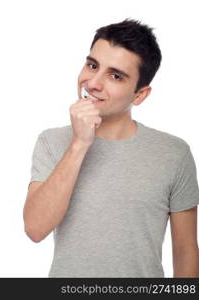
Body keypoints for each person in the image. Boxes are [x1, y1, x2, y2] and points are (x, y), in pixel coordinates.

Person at [23, 18, 199, 278]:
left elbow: (185, 252)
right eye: (92, 65)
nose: (93, 83)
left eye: (115, 75)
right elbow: (35, 229)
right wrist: (80, 143)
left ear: (139, 95)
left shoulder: (173, 153)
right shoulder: (51, 142)